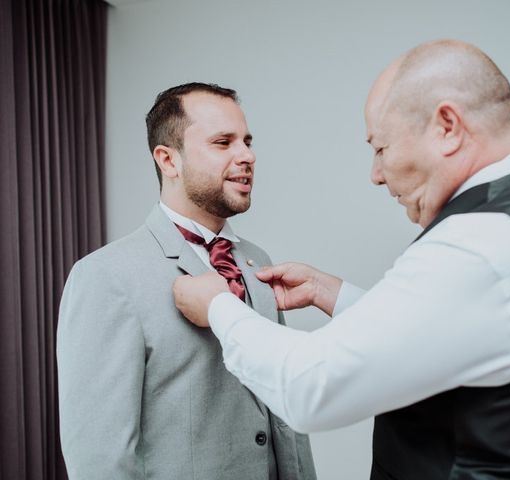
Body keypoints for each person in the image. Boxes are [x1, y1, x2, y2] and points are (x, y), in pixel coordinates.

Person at [173, 42, 510, 479]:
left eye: (380, 147)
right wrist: (332, 294)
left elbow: (310, 387)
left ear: (447, 126)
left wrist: (219, 306)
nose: (376, 174)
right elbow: (460, 331)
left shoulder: (483, 241)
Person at [57, 82, 316, 480]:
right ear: (168, 160)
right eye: (222, 142)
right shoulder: (104, 277)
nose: (247, 155)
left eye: (247, 141)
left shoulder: (256, 262)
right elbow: (99, 458)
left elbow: (282, 412)